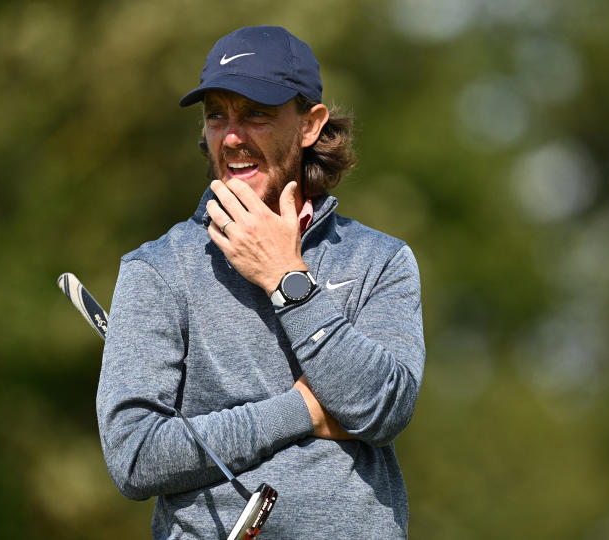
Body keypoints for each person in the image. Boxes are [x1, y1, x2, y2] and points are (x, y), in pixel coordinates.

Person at [97, 25, 425, 538]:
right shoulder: (156, 269)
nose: (232, 135)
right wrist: (301, 411)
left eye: (256, 113)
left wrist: (285, 277)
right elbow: (135, 456)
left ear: (311, 124)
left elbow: (381, 409)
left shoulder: (380, 260)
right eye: (217, 115)